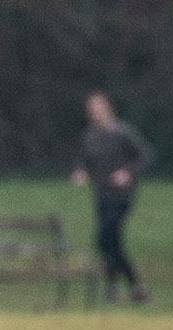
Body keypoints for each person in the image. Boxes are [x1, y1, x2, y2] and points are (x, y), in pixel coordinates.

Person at [71, 91, 153, 305]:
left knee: (105, 237)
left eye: (97, 109)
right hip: (102, 195)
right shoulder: (89, 136)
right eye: (90, 110)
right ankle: (133, 288)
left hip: (122, 196)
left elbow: (144, 155)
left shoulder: (122, 132)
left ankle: (117, 288)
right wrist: (80, 172)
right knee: (111, 242)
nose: (93, 113)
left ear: (106, 109)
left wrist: (127, 173)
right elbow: (83, 160)